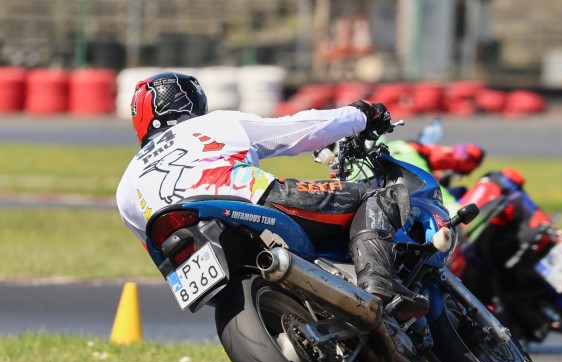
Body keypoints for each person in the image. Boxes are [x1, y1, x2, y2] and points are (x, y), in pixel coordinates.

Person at [116, 71, 428, 320]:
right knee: (372, 196)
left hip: (188, 247)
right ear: (192, 103)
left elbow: (157, 252)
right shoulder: (212, 125)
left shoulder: (126, 183)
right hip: (249, 202)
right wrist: (360, 115)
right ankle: (379, 286)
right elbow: (297, 131)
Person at [386, 137, 485, 216]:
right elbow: (473, 152)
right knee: (434, 191)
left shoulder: (444, 153)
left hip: (394, 148)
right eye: (465, 172)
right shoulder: (454, 156)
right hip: (407, 152)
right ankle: (456, 214)